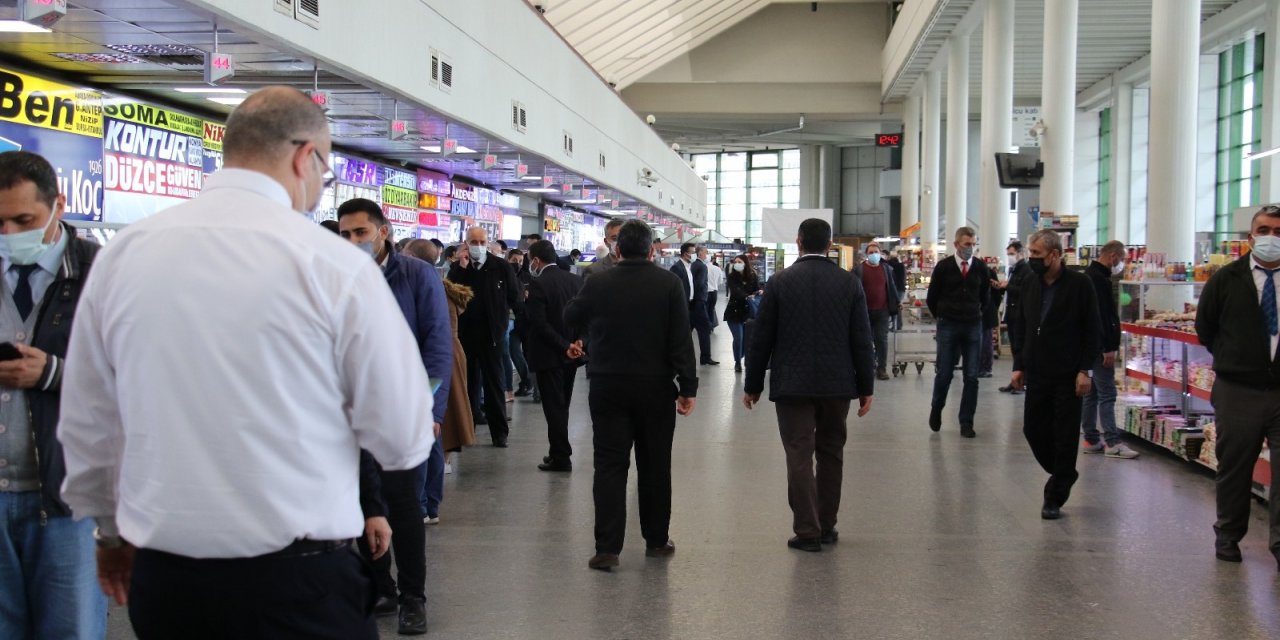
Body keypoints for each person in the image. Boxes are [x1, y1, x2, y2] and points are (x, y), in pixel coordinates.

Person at [57, 86, 436, 639]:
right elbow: (402, 438)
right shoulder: (335, 266)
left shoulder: (124, 253)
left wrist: (110, 536)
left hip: (169, 579)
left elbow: (89, 419)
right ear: (306, 157)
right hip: (299, 585)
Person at [0, 151, 106, 638]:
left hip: (68, 499)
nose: (8, 235)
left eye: (24, 220)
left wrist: (55, 373)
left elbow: (137, 380)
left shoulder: (100, 275)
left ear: (59, 205)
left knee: (70, 629)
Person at [337, 198, 451, 635]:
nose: (353, 242)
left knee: (404, 506)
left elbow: (437, 347)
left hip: (402, 410)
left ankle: (412, 598)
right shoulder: (338, 276)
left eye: (360, 233)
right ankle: (380, 585)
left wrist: (428, 409)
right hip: (351, 412)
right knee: (364, 502)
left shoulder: (417, 276)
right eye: (346, 235)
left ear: (383, 231)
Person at [565, 220, 698, 571]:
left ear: (617, 250)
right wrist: (687, 387)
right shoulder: (668, 283)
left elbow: (570, 315)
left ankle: (607, 549)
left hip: (608, 386)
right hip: (655, 387)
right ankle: (656, 540)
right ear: (652, 250)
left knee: (610, 466)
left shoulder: (598, 282)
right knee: (655, 465)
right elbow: (680, 339)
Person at [743, 218, 876, 552]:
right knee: (832, 452)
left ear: (798, 241)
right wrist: (866, 386)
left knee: (799, 453)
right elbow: (862, 338)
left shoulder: (779, 282)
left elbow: (762, 339)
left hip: (792, 384)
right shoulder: (848, 283)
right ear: (830, 245)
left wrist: (753, 383)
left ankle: (807, 530)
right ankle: (827, 524)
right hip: (837, 383)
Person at [1195, 205, 1280, 569]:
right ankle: (1228, 535)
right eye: (1264, 230)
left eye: (1278, 231)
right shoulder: (1226, 279)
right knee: (1235, 466)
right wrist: (1236, 358)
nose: (1271, 238)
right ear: (1250, 236)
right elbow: (1206, 328)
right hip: (1238, 389)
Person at [1009, 230, 1101, 520]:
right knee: (1032, 428)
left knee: (1064, 434)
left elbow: (1092, 329)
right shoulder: (1030, 283)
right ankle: (1064, 471)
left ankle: (1054, 495)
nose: (1031, 258)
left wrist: (1085, 369)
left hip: (1068, 373)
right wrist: (1019, 364)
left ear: (1054, 255)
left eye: (1036, 254)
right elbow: (1023, 324)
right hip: (1037, 370)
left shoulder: (1080, 285)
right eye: (1030, 253)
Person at [404, 240, 476, 474]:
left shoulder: (424, 288)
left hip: (438, 355)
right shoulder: (444, 287)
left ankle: (437, 469)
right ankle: (443, 462)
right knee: (449, 409)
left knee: (437, 413)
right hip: (452, 353)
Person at [449, 226, 522, 446]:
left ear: (488, 242)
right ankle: (467, 429)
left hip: (492, 334)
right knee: (468, 382)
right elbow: (452, 294)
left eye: (481, 242)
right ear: (465, 242)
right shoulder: (458, 268)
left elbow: (514, 296)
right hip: (466, 334)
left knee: (494, 383)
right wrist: (461, 269)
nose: (478, 246)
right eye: (473, 242)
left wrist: (506, 320)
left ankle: (499, 432)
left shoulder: (500, 266)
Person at [523, 240, 585, 472]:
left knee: (553, 407)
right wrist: (578, 342)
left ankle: (561, 456)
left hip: (550, 355)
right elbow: (584, 317)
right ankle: (556, 450)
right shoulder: (576, 280)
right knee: (562, 405)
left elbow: (539, 324)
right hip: (572, 355)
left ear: (536, 261)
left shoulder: (538, 284)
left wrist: (563, 345)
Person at [925, 226, 990, 437]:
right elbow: (932, 297)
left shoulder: (980, 268)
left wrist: (977, 312)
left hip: (972, 324)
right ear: (956, 245)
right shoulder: (943, 267)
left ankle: (966, 421)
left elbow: (986, 296)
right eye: (967, 244)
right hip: (948, 324)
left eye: (973, 244)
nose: (970, 248)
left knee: (972, 376)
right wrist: (942, 316)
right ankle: (937, 407)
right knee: (944, 372)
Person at [1080, 240, 1139, 459]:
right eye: (1122, 259)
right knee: (1107, 394)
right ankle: (1112, 442)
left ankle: (1091, 438)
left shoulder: (1091, 275)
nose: (1121, 264)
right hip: (1100, 347)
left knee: (1092, 393)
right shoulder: (1098, 279)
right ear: (1112, 256)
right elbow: (1101, 316)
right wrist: (1107, 346)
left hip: (1091, 346)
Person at [853, 242, 901, 381]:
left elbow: (891, 286)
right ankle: (867, 367)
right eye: (871, 252)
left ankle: (882, 368)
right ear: (867, 254)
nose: (874, 254)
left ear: (880, 254)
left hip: (882, 311)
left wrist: (897, 302)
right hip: (864, 311)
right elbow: (854, 288)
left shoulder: (886, 269)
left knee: (882, 340)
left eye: (876, 252)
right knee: (865, 341)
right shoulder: (859, 270)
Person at [670, 242, 717, 365]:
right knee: (700, 329)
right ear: (686, 253)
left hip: (691, 303)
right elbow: (676, 288)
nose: (695, 255)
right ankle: (699, 357)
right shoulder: (678, 267)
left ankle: (700, 357)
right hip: (690, 304)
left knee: (686, 331)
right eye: (693, 252)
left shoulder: (689, 267)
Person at [999, 241, 1031, 394]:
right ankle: (1015, 380)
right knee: (1015, 349)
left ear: (1020, 253)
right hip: (1011, 315)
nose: (1010, 257)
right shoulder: (1014, 270)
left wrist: (1008, 287)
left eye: (1011, 254)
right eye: (1008, 254)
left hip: (1020, 315)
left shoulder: (1026, 270)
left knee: (1021, 350)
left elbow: (1025, 291)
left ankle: (1022, 383)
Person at [724, 254, 762, 373]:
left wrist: (759, 291)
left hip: (748, 312)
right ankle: (737, 362)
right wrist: (746, 296)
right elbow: (735, 291)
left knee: (747, 339)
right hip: (734, 312)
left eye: (739, 262)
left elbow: (757, 287)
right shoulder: (731, 276)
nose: (737, 264)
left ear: (745, 263)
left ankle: (744, 359)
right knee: (738, 338)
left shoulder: (753, 275)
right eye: (735, 262)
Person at [506, 249, 532, 398]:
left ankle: (527, 383)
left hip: (524, 321)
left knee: (526, 354)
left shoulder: (527, 277)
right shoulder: (503, 274)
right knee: (514, 352)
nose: (518, 263)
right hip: (510, 321)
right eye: (515, 260)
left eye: (521, 261)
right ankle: (526, 380)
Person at [701, 248, 724, 331]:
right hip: (714, 292)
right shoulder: (717, 269)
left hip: (705, 292)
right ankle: (711, 326)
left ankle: (706, 326)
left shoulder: (702, 268)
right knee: (711, 309)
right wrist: (714, 285)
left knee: (705, 309)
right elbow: (720, 281)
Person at [887, 249, 908, 331]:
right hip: (901, 289)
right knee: (898, 307)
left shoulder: (895, 266)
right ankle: (898, 325)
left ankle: (896, 326)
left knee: (896, 307)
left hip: (897, 289)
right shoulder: (901, 266)